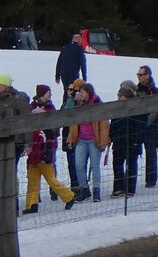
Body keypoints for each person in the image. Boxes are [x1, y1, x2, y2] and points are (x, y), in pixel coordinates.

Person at [21, 85, 76, 214]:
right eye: (48, 93)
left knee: (51, 179)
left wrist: (44, 117)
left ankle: (69, 197)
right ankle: (31, 204)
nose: (50, 95)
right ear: (41, 94)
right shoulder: (31, 108)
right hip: (34, 149)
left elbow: (55, 130)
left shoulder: (50, 108)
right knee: (32, 180)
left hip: (46, 151)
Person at [67, 81, 109, 202]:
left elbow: (104, 124)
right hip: (81, 139)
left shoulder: (97, 104)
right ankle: (84, 189)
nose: (81, 94)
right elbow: (73, 121)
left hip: (94, 140)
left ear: (89, 93)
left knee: (95, 165)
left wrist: (103, 141)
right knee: (79, 165)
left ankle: (96, 190)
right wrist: (71, 138)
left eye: (83, 92)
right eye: (80, 92)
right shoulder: (79, 104)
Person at [109, 81, 143, 197]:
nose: (118, 98)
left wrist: (137, 140)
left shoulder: (136, 109)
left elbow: (140, 126)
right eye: (118, 95)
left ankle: (130, 188)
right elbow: (113, 123)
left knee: (131, 164)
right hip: (118, 140)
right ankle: (118, 188)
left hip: (132, 141)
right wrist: (112, 136)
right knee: (117, 164)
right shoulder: (116, 109)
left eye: (120, 96)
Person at [134, 65, 158, 188]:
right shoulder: (136, 90)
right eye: (138, 75)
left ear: (148, 75)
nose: (139, 77)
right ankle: (131, 180)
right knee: (134, 151)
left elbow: (156, 110)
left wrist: (146, 123)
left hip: (151, 127)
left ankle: (151, 179)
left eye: (141, 75)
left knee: (151, 152)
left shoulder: (154, 91)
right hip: (138, 125)